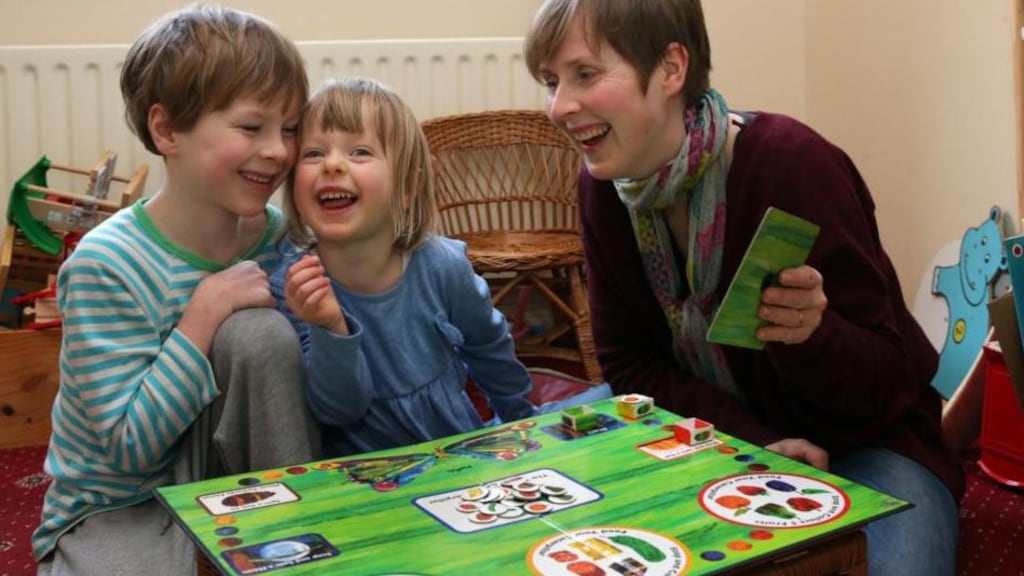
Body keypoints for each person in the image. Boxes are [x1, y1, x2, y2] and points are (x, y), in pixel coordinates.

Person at [523, 1, 963, 575]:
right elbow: (629, 362)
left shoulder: (791, 164)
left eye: (585, 74)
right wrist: (753, 445)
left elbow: (888, 381)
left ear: (671, 69)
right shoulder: (603, 184)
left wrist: (812, 335)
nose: (558, 107)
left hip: (866, 442)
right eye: (552, 82)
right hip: (712, 427)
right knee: (521, 477)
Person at [33, 5, 320, 575]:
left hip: (236, 480)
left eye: (289, 129)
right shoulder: (106, 264)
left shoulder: (276, 237)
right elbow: (128, 451)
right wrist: (203, 314)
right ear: (167, 131)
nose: (279, 151)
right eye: (250, 127)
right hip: (121, 503)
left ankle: (297, 529)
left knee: (260, 333)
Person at [272, 76, 540, 457]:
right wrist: (330, 327)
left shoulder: (442, 265)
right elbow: (338, 409)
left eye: (360, 152)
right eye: (313, 153)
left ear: (406, 186)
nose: (331, 164)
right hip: (360, 481)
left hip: (456, 457)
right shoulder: (294, 284)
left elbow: (489, 346)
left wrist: (521, 420)